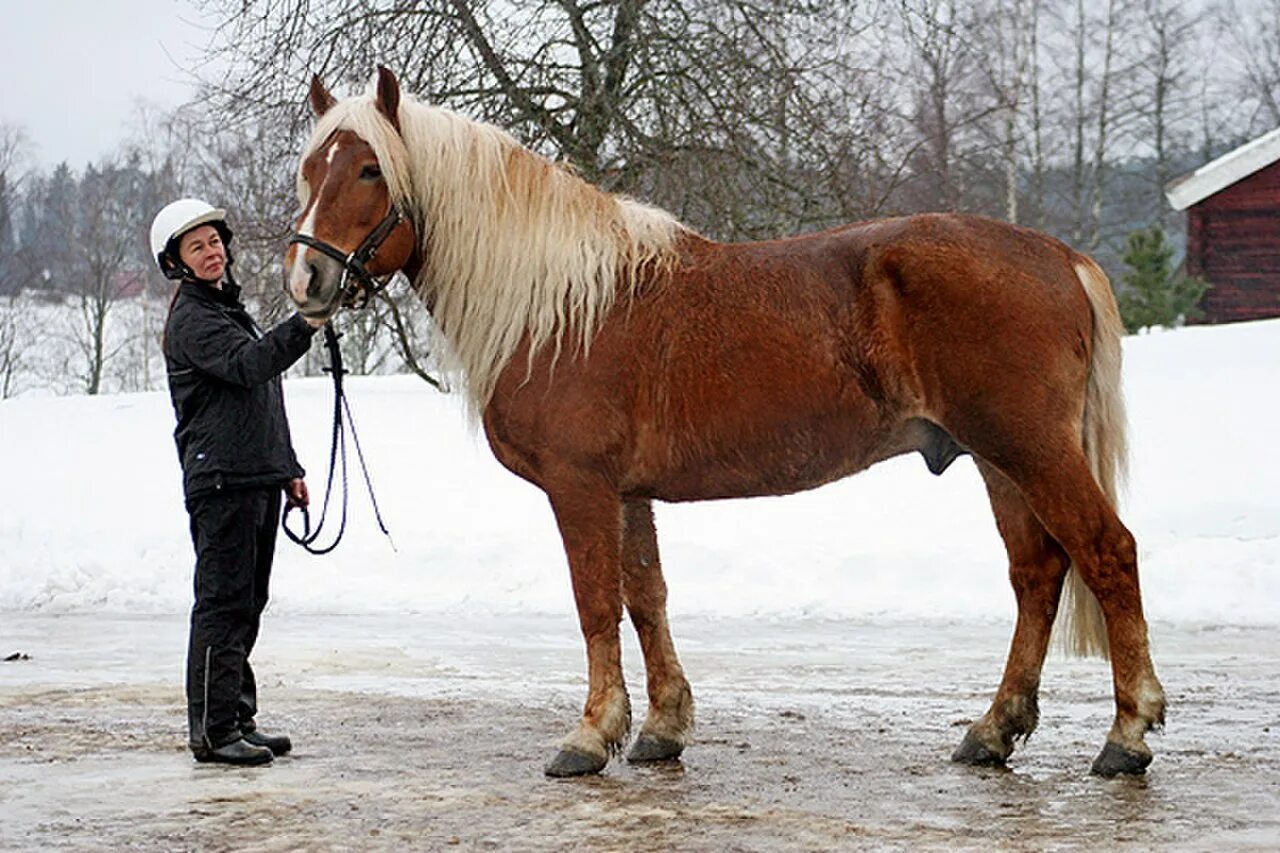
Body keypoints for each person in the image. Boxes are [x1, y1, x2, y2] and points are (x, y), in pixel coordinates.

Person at [149, 198, 325, 766]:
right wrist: (308, 321)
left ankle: (237, 717)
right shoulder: (195, 320)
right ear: (176, 262)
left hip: (254, 475)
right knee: (222, 605)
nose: (212, 251)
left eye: (215, 241)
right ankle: (212, 731)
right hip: (221, 480)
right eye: (196, 246)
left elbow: (260, 398)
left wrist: (288, 468)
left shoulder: (226, 310)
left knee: (247, 603)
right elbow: (253, 365)